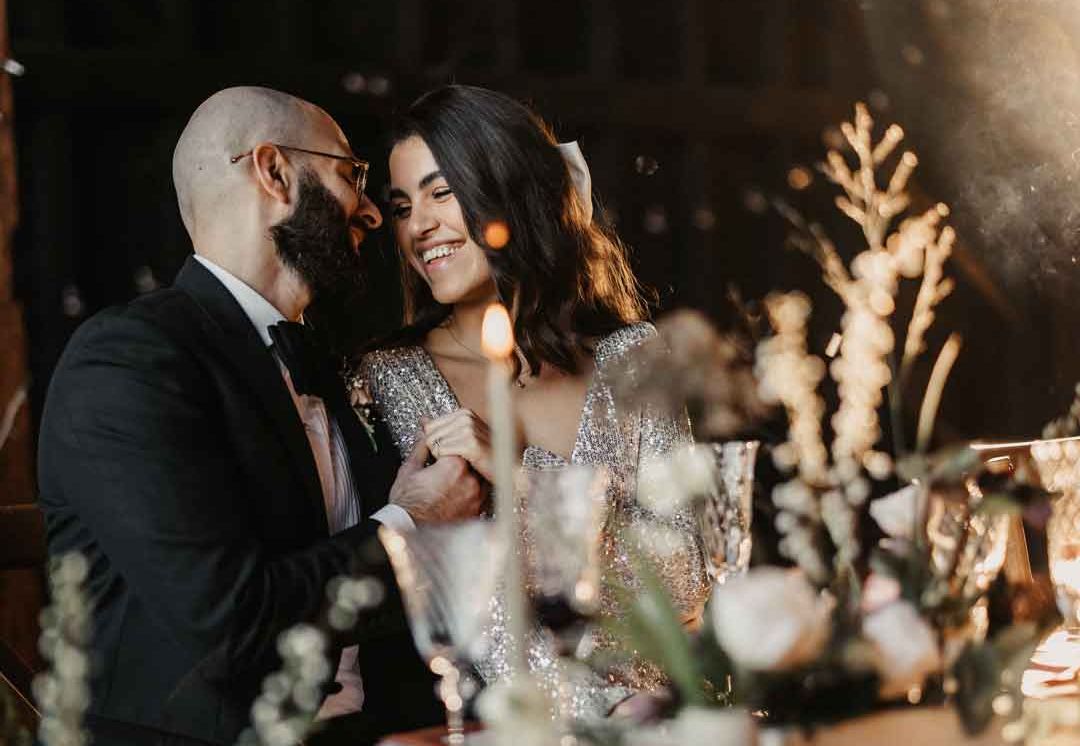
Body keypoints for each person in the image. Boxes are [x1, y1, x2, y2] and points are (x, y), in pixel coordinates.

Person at [37, 86, 484, 746]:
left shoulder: (328, 366)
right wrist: (410, 521)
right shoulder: (129, 360)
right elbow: (230, 622)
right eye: (349, 174)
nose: (367, 211)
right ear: (274, 172)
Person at [354, 85, 710, 718]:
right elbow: (449, 611)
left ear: (509, 193)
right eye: (403, 205)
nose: (418, 226)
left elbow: (686, 583)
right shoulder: (387, 379)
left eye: (442, 192)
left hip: (665, 725)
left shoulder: (629, 358)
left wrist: (519, 480)